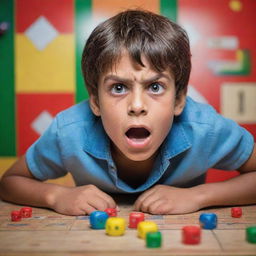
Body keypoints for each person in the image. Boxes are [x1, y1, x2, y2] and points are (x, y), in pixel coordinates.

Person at [0, 9, 255, 216]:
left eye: (155, 87)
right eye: (119, 87)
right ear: (95, 102)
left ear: (179, 100)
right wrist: (56, 196)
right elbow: (9, 182)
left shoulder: (204, 128)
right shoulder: (69, 131)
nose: (136, 105)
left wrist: (198, 196)